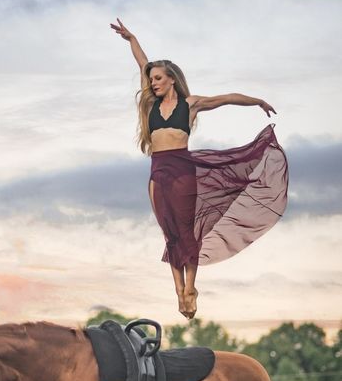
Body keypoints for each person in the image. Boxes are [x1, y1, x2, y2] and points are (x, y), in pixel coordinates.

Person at [110, 18, 288, 319]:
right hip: (157, 173)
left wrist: (256, 100)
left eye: (157, 78)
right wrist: (132, 39)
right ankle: (178, 291)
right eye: (150, 78)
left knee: (186, 230)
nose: (152, 82)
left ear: (171, 80)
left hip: (181, 170)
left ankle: (191, 287)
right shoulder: (151, 106)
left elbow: (226, 98)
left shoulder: (190, 104)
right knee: (170, 233)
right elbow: (142, 62)